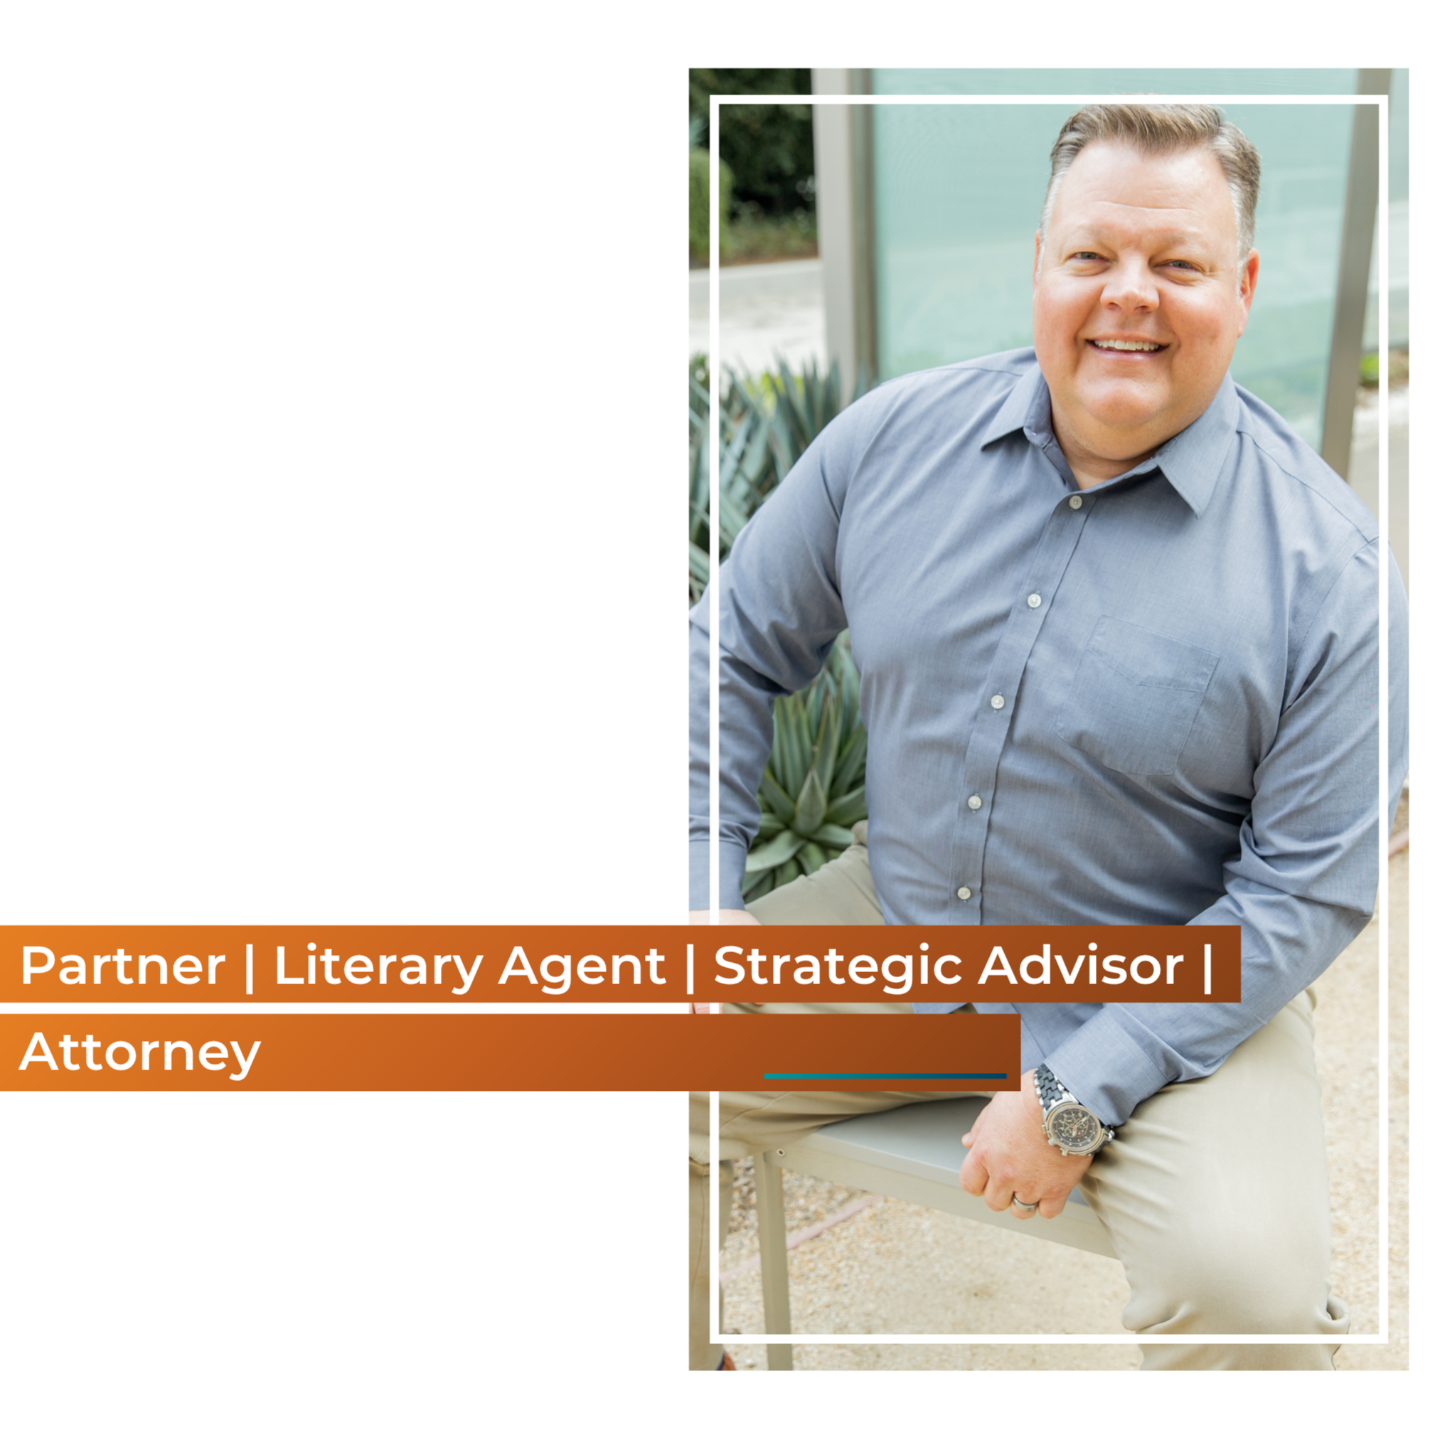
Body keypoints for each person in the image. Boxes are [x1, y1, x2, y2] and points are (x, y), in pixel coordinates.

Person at [686, 103, 1407, 1372]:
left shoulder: (1331, 570)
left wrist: (1077, 1092)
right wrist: (706, 887)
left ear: (1239, 289)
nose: (1129, 296)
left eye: (1177, 265)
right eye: (1092, 257)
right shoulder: (890, 445)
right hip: (895, 931)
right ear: (1039, 264)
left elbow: (1306, 889)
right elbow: (727, 647)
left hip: (1174, 991)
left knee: (1249, 1302)